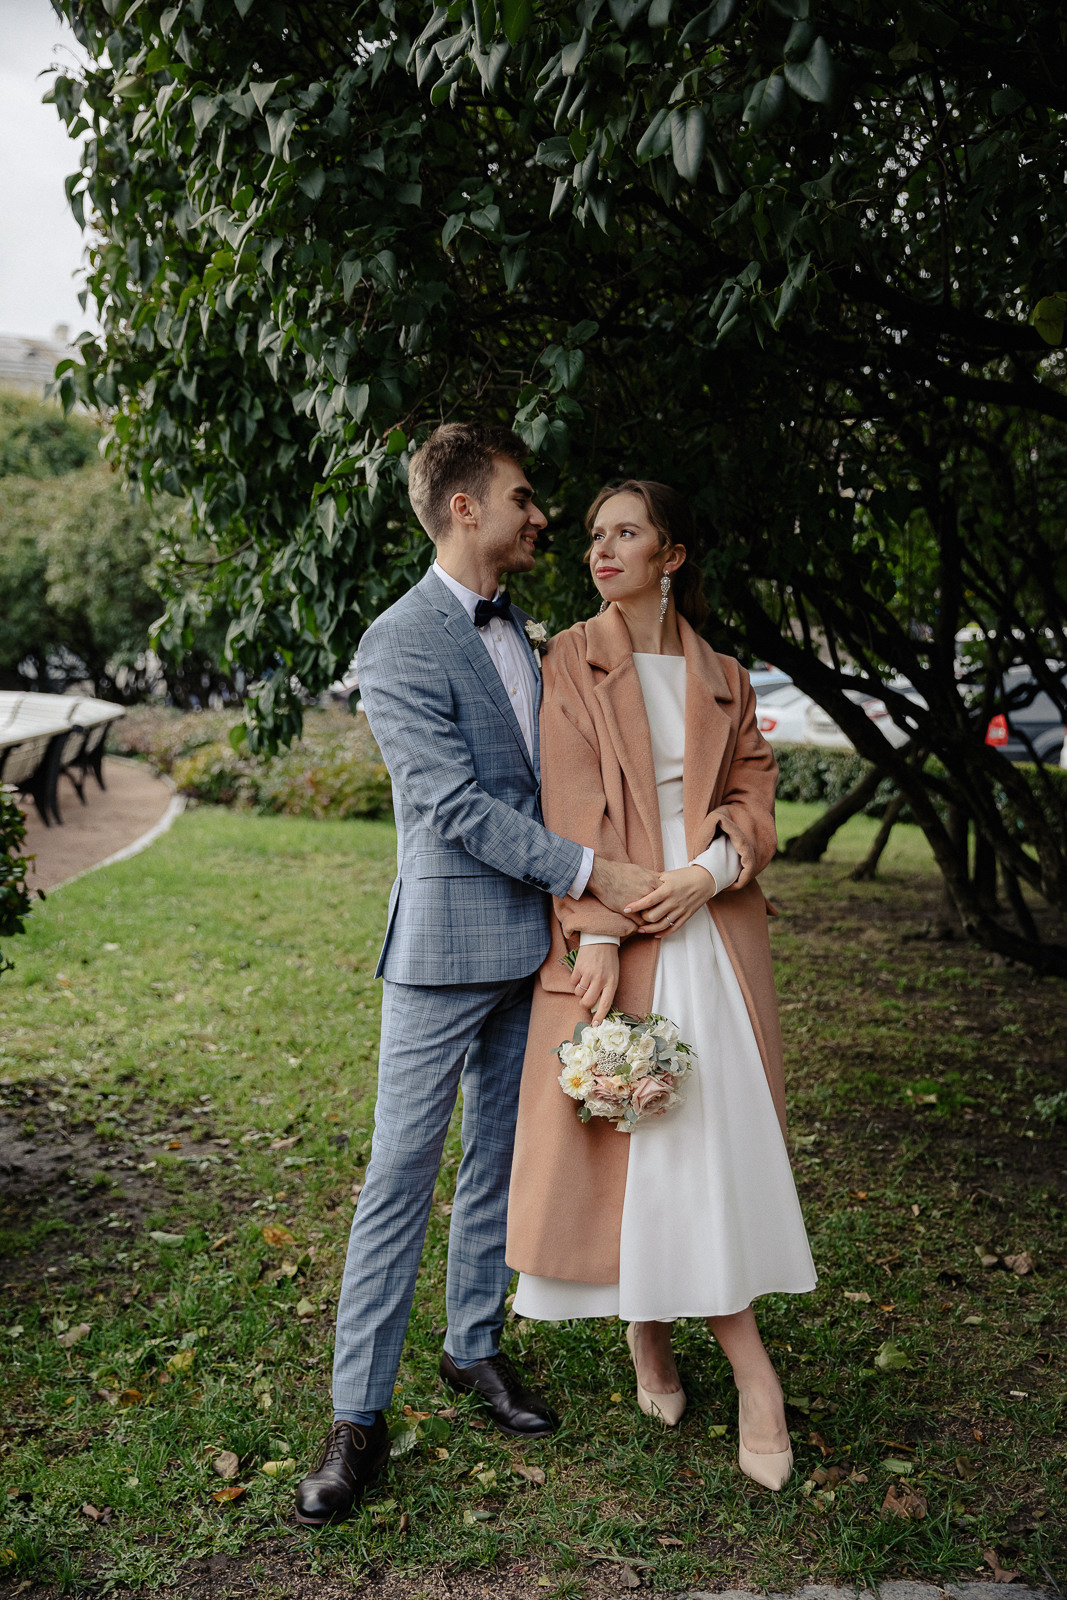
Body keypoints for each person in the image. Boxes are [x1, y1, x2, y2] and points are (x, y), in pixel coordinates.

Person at [294, 426, 658, 1527]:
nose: (537, 514)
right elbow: (450, 806)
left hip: (531, 951)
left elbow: (556, 779)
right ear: (463, 508)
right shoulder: (396, 639)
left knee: (498, 1156)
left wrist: (583, 910)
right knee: (398, 1173)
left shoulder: (530, 636)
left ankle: (471, 1347)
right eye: (520, 496)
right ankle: (356, 1414)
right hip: (442, 951)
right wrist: (596, 870)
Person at [506, 479, 817, 1491]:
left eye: (625, 533)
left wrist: (709, 873)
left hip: (714, 938)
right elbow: (571, 794)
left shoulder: (723, 674)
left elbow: (751, 798)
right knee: (647, 1139)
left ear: (670, 553)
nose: (601, 549)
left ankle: (700, 1350)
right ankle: (696, 1350)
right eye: (595, 535)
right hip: (625, 933)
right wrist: (592, 930)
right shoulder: (570, 656)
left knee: (705, 1147)